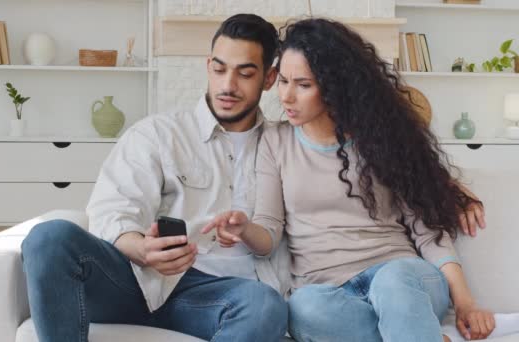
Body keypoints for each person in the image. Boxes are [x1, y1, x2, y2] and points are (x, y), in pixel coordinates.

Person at [202, 18, 513, 342]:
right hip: (329, 291)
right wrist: (244, 230)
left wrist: (465, 303)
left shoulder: (382, 139)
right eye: (283, 81)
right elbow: (268, 230)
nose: (287, 97)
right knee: (303, 309)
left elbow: (426, 229)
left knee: (392, 282)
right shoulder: (274, 142)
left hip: (403, 278)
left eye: (304, 85)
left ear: (335, 85)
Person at [20, 14, 288, 342]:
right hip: (138, 281)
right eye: (219, 69)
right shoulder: (159, 134)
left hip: (222, 296)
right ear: (207, 65)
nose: (227, 85)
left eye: (245, 74)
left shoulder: (284, 145)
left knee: (264, 306)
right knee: (49, 238)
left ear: (270, 78)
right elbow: (111, 213)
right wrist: (143, 249)